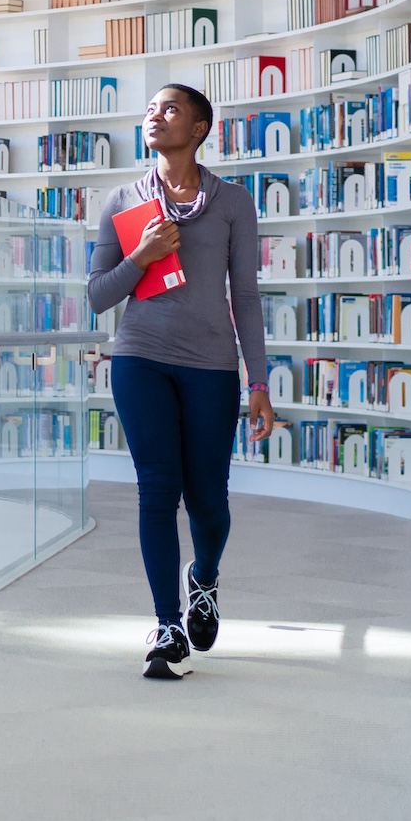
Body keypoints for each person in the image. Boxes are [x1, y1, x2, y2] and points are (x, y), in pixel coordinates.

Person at [87, 83, 271, 678]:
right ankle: (168, 627)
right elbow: (96, 297)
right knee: (156, 490)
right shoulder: (121, 201)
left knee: (208, 502)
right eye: (150, 109)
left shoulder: (234, 202)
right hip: (139, 357)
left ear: (199, 129)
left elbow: (244, 295)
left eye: (170, 109)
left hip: (211, 365)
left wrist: (259, 383)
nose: (155, 116)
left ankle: (205, 578)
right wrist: (139, 255)